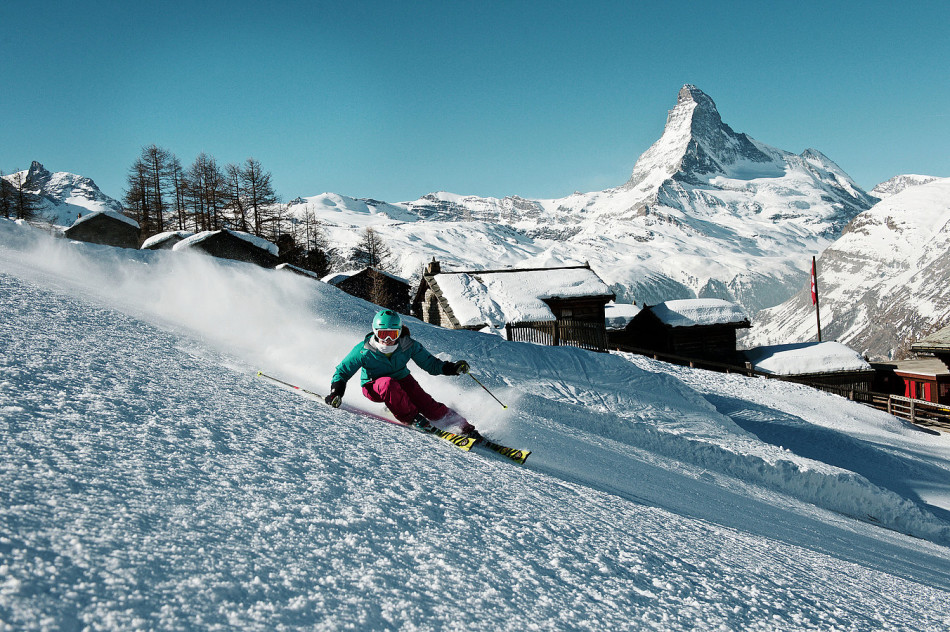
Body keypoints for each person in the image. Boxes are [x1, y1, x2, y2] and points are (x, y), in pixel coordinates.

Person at [325, 309, 481, 438]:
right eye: (382, 334)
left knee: (426, 403)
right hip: (373, 385)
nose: (387, 340)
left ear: (399, 333)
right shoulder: (364, 350)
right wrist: (335, 393)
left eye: (392, 335)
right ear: (375, 332)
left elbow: (431, 365)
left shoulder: (408, 345)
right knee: (388, 384)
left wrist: (452, 368)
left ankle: (461, 425)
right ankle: (413, 417)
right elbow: (343, 371)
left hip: (401, 379)